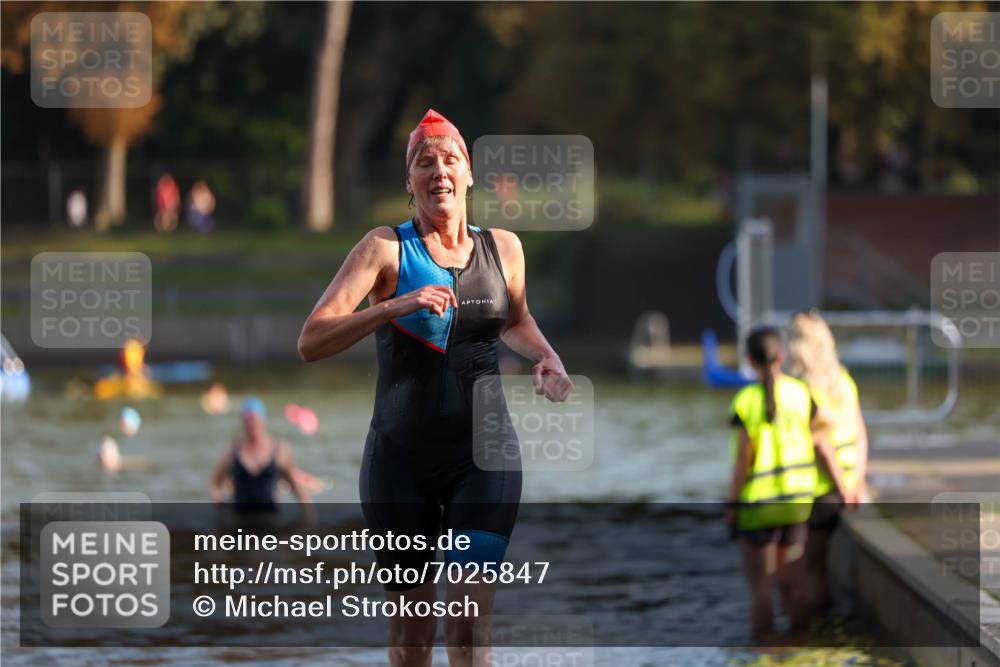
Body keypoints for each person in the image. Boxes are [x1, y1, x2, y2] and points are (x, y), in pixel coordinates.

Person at [298, 108, 572, 667]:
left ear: (469, 173)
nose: (438, 171)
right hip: (400, 463)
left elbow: (515, 321)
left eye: (450, 159)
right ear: (409, 181)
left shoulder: (505, 249)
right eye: (425, 162)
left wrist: (548, 358)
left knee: (469, 626)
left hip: (485, 459)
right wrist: (393, 304)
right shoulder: (384, 249)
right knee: (413, 637)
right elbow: (312, 340)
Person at [726, 326, 852, 641]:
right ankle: (799, 645)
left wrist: (731, 506)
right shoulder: (800, 393)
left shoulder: (746, 401)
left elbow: (744, 460)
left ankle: (767, 649)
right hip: (797, 503)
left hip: (758, 506)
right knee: (793, 581)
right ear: (781, 356)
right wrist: (844, 486)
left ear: (749, 360)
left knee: (761, 586)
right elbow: (822, 445)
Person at [789, 310, 868, 614]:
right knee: (818, 569)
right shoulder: (844, 381)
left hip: (821, 489)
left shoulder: (802, 389)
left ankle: (815, 638)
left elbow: (821, 446)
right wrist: (856, 481)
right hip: (846, 483)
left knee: (809, 569)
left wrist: (841, 487)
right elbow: (860, 431)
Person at [209, 398, 313, 514]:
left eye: (254, 419)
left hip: (271, 519)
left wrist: (309, 514)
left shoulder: (279, 450)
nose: (250, 424)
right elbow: (215, 482)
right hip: (240, 519)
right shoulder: (232, 450)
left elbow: (294, 485)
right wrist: (217, 495)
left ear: (263, 420)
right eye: (247, 420)